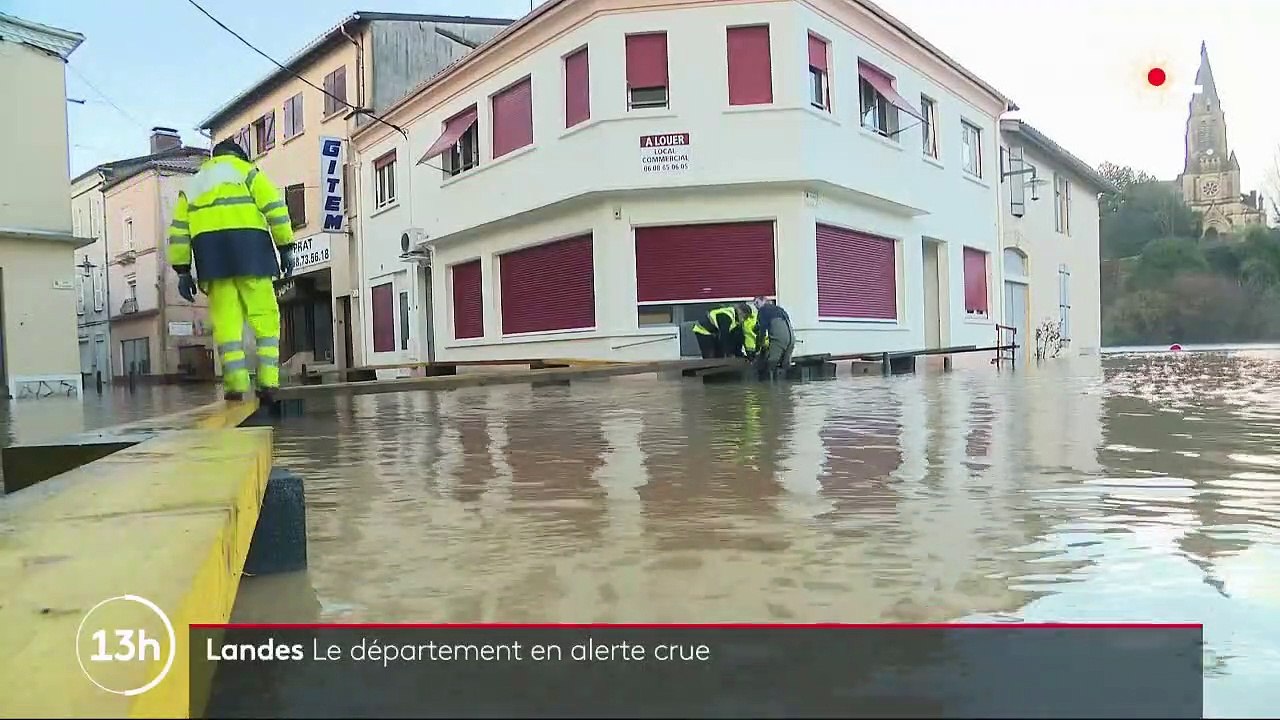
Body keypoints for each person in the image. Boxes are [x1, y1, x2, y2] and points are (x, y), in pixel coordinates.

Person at [166, 139, 296, 402]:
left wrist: (182, 270)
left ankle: (235, 387)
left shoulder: (193, 185)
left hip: (212, 259)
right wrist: (285, 247)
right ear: (240, 156)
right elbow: (275, 209)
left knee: (227, 324)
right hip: (253, 254)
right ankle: (268, 383)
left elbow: (179, 232)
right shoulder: (247, 172)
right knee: (265, 318)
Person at [752, 296, 795, 379]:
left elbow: (762, 330)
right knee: (785, 365)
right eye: (754, 305)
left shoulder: (763, 310)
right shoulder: (780, 309)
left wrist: (759, 347)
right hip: (791, 339)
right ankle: (787, 388)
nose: (756, 306)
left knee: (771, 364)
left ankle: (769, 388)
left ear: (764, 301)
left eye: (757, 303)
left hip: (779, 339)